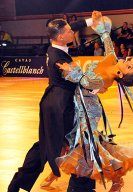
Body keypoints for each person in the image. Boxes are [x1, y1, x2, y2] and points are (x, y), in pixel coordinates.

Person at [42, 15, 133, 192]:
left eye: (128, 67)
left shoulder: (106, 79)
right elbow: (107, 41)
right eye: (130, 64)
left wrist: (73, 72)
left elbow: (88, 83)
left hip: (87, 110)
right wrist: (102, 28)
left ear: (120, 75)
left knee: (85, 148)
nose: (128, 62)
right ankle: (56, 173)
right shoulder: (112, 59)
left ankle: (115, 179)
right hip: (76, 103)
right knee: (72, 143)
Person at [7, 11, 97, 192]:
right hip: (60, 106)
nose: (73, 33)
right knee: (76, 144)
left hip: (56, 102)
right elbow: (77, 78)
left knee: (48, 146)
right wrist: (96, 87)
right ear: (62, 36)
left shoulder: (55, 47)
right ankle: (80, 187)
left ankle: (17, 184)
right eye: (69, 31)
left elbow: (74, 27)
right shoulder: (58, 58)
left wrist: (91, 21)